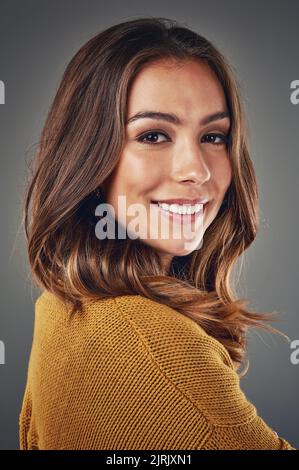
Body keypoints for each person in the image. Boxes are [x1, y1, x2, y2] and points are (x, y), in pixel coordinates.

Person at [19, 17, 295, 450]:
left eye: (213, 136)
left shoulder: (63, 306)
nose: (196, 170)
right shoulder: (147, 340)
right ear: (88, 158)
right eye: (153, 135)